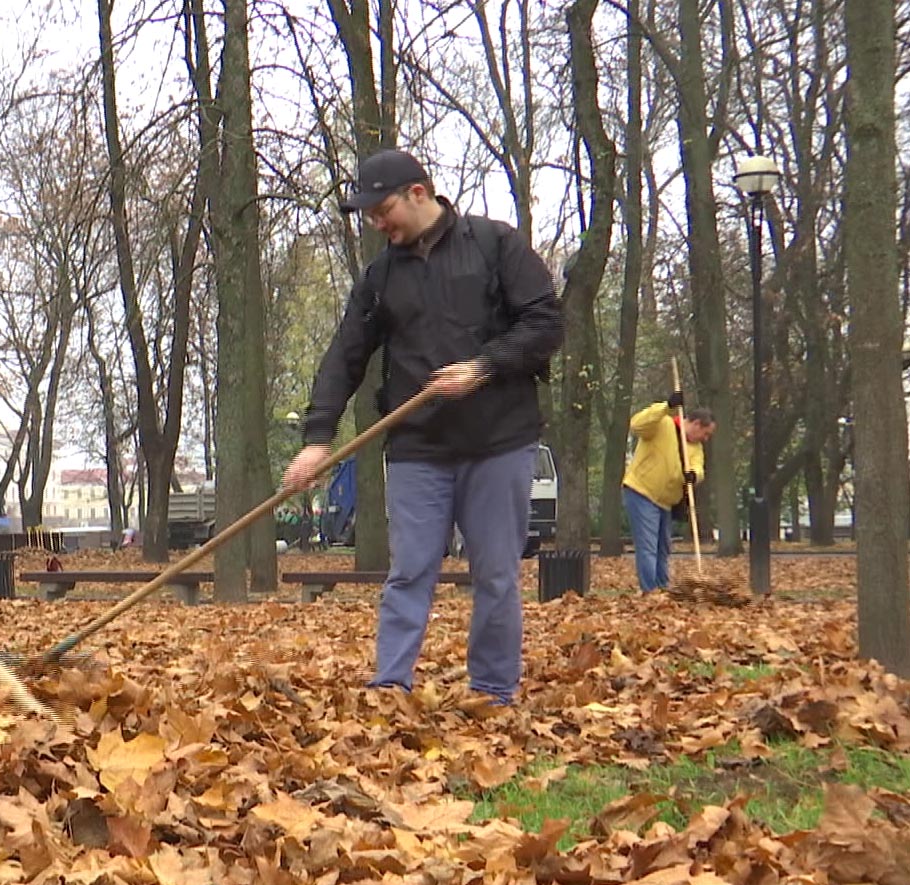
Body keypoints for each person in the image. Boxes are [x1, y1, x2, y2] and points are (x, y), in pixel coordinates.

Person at [281, 148, 564, 705]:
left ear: (418, 193)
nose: (375, 222)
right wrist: (318, 438)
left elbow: (546, 321)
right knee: (409, 572)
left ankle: (492, 690)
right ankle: (390, 687)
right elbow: (346, 354)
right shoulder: (381, 275)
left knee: (496, 575)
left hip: (499, 441)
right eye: (367, 215)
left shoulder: (495, 244)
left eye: (381, 209)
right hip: (417, 449)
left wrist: (484, 367)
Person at [622, 398, 714, 592]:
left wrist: (693, 475)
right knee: (648, 546)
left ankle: (663, 588)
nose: (706, 439)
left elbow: (699, 468)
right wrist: (666, 406)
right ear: (696, 424)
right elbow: (637, 424)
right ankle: (650, 592)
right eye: (705, 433)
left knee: (663, 548)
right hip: (642, 491)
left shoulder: (695, 448)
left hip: (666, 501)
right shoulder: (662, 424)